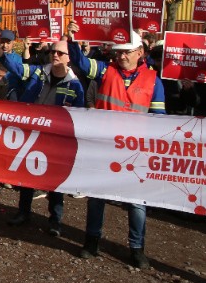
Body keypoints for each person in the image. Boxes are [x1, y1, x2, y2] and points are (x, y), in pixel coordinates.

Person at [68, 22, 165, 269]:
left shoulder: (154, 81)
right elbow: (80, 62)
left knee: (136, 202)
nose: (121, 56)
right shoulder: (104, 71)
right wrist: (71, 38)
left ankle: (136, 248)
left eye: (126, 51)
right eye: (118, 52)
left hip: (136, 151)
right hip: (105, 148)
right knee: (97, 197)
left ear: (140, 52)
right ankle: (91, 242)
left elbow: (160, 120)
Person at [1, 40, 85, 235]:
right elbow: (16, 68)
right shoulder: (39, 72)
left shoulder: (75, 84)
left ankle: (55, 220)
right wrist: (1, 54)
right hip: (33, 133)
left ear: (69, 58)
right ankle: (23, 212)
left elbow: (79, 114)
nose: (55, 55)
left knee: (55, 180)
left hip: (56, 138)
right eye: (53, 51)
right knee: (26, 176)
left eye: (60, 53)